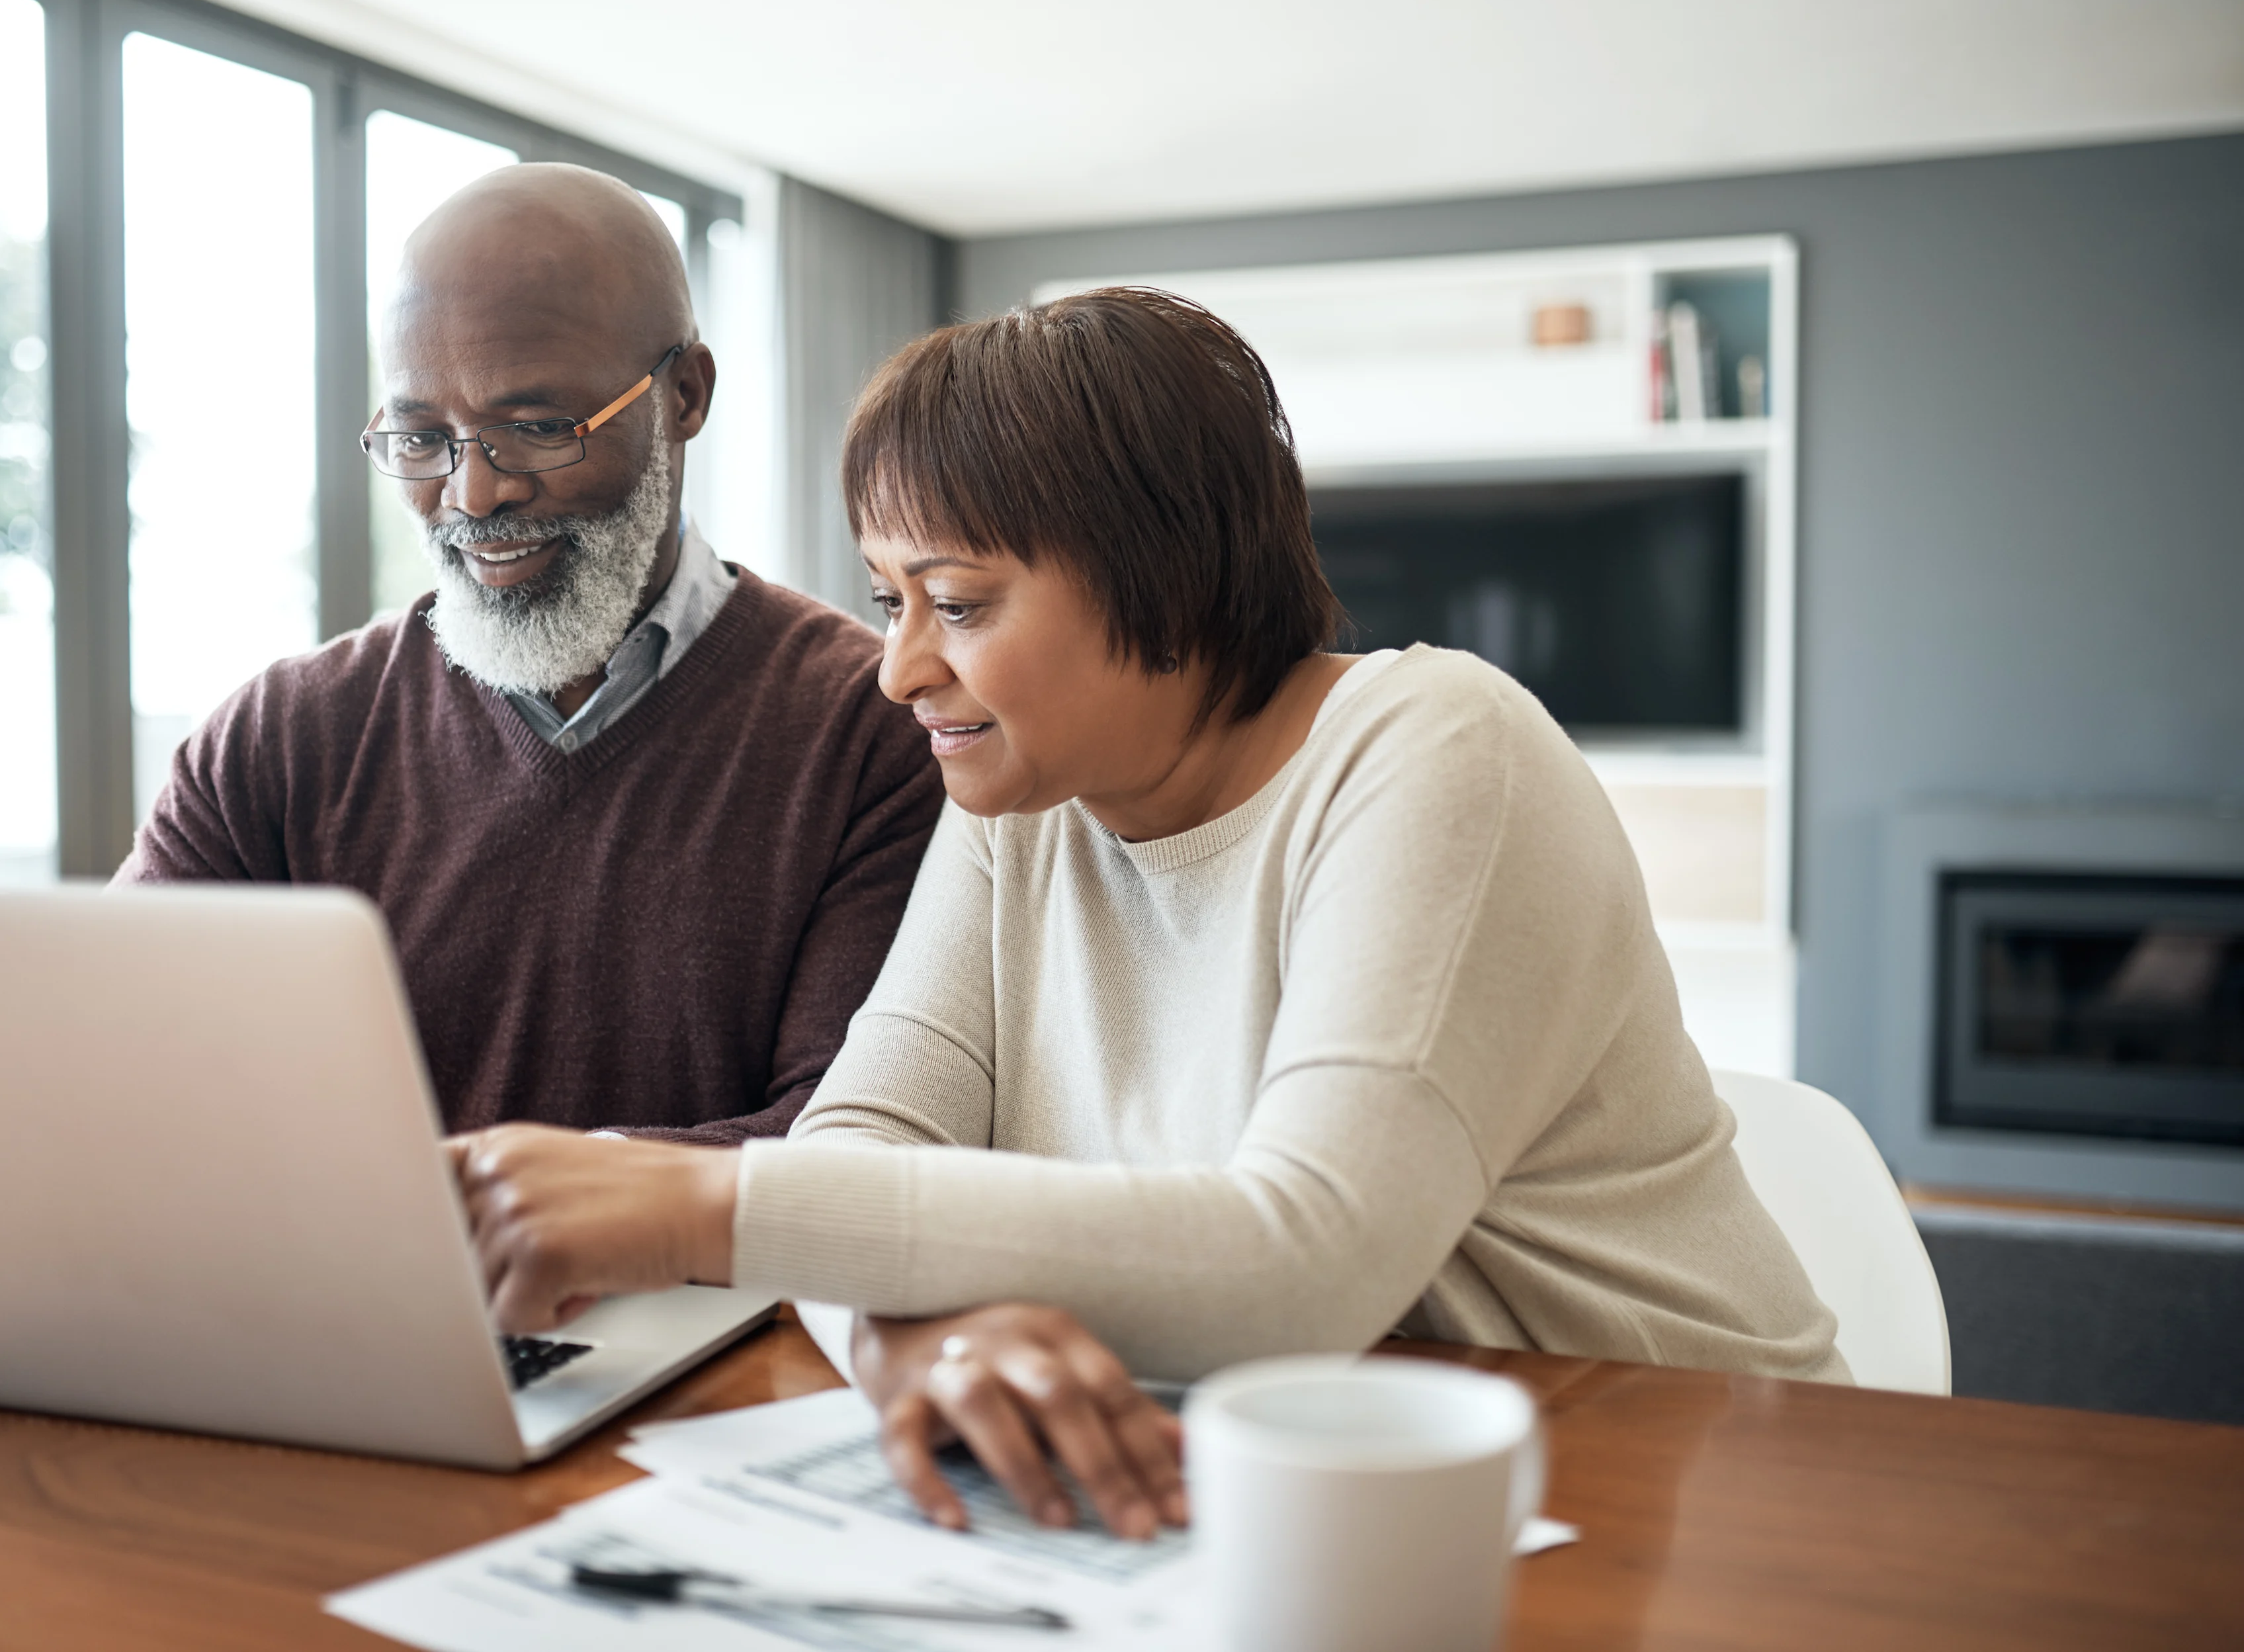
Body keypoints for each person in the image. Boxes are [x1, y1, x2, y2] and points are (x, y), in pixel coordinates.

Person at [444, 286, 1846, 1542]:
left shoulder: (1438, 749)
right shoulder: (1022, 807)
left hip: (1692, 1489)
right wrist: (918, 1352)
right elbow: (862, 1151)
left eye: (962, 602)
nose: (900, 671)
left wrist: (698, 1202)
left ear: (1163, 570)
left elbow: (1303, 1260)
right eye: (888, 600)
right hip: (1306, 1481)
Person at [116, 165, 942, 1143]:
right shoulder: (278, 740)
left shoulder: (875, 732)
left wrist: (463, 1203)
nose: (473, 496)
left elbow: (844, 1143)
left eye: (538, 429)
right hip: (331, 1290)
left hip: (718, 1302)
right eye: (423, 437)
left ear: (684, 395)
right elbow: (117, 1064)